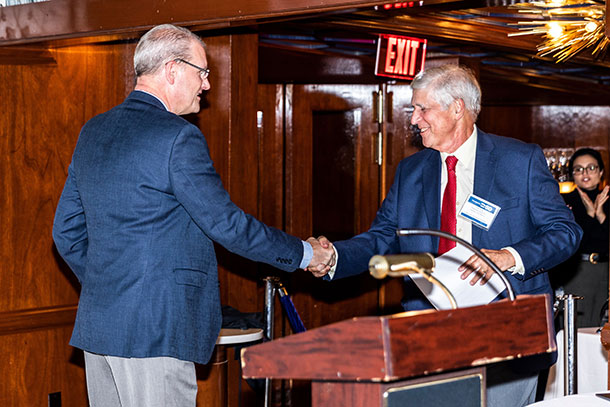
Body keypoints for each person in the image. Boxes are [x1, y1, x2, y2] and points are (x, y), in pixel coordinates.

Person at [52, 24, 334, 407]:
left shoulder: (94, 131)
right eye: (202, 72)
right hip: (157, 330)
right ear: (172, 70)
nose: (206, 84)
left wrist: (111, 285)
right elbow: (227, 225)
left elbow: (66, 232)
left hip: (101, 327)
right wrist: (305, 254)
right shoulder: (177, 136)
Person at [311, 65, 582, 407]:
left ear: (457, 108)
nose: (413, 119)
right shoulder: (411, 171)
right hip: (429, 334)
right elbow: (381, 238)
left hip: (507, 331)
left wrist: (508, 257)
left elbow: (565, 231)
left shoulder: (520, 160)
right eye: (414, 109)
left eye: (422, 108)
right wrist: (333, 257)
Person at [551, 148, 609, 328]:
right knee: (578, 328)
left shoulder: (607, 199)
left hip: (606, 270)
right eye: (578, 169)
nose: (585, 173)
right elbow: (577, 241)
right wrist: (591, 216)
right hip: (578, 271)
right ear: (571, 175)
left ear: (600, 172)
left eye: (591, 168)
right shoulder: (564, 201)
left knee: (602, 331)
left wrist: (601, 216)